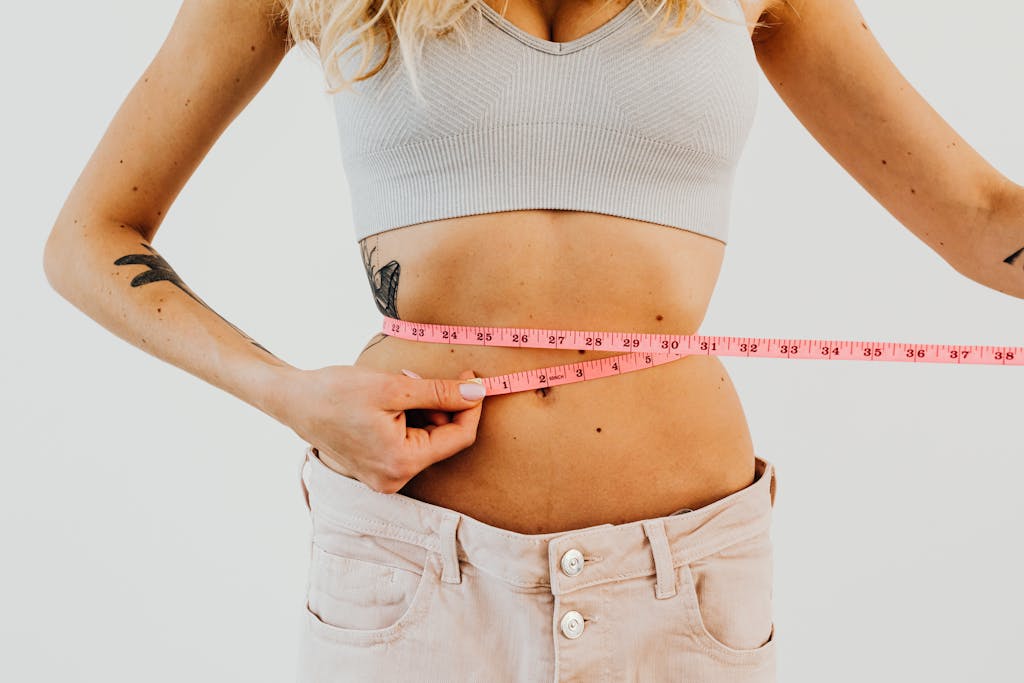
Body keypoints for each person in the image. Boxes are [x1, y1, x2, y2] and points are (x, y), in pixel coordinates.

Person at [42, 0, 1024, 680]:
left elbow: (981, 214)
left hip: (686, 576)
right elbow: (91, 236)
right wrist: (288, 391)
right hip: (408, 566)